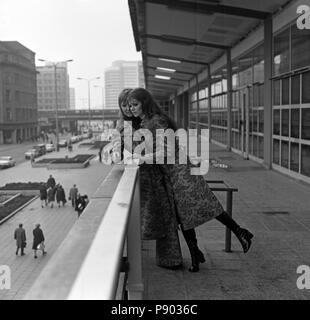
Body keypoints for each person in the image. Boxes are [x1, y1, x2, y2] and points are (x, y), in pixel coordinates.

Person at [128, 88, 254, 272]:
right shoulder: (146, 122)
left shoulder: (158, 120)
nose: (131, 108)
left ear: (145, 103)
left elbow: (168, 151)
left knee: (206, 203)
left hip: (180, 170)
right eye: (130, 105)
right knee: (182, 214)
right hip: (169, 174)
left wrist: (141, 158)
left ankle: (240, 232)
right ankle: (196, 254)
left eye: (135, 104)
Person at [111, 88, 184, 269]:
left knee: (165, 216)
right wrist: (119, 146)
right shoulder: (124, 126)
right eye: (125, 104)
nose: (129, 108)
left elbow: (164, 149)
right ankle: (125, 259)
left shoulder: (148, 120)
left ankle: (170, 258)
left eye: (132, 104)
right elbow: (119, 156)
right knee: (136, 218)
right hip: (140, 176)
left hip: (157, 173)